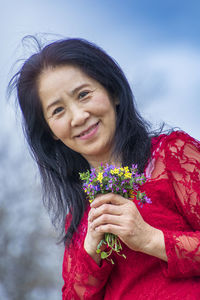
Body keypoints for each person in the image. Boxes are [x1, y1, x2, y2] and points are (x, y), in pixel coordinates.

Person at [9, 37, 200, 299]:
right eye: (58, 110)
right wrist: (90, 251)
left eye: (84, 94)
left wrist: (149, 239)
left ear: (114, 92)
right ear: (49, 131)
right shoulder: (77, 219)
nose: (78, 116)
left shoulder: (173, 156)